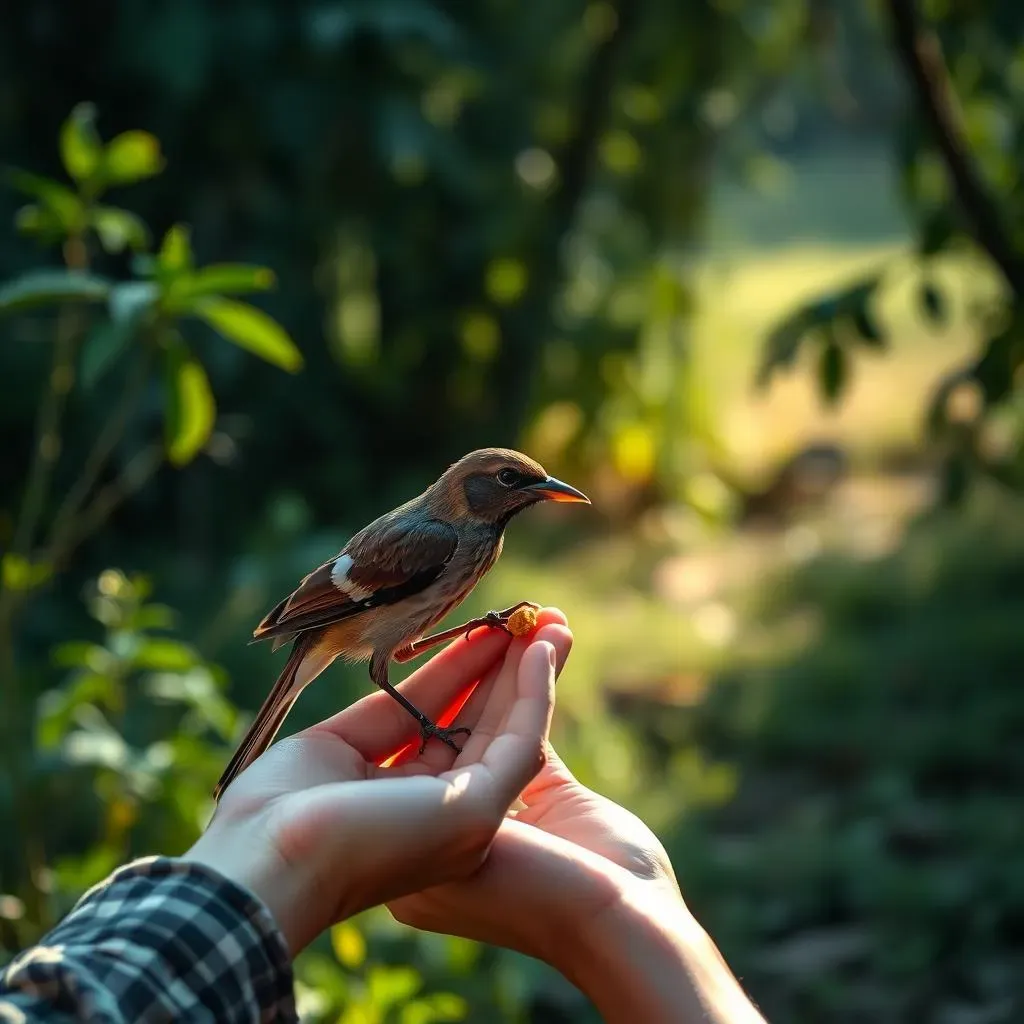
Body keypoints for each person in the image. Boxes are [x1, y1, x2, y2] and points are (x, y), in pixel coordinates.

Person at [0, 609, 765, 1023]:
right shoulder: (438, 536)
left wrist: (618, 913)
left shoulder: (464, 539)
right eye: (509, 483)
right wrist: (620, 918)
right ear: (476, 493)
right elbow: (379, 660)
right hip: (340, 615)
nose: (529, 493)